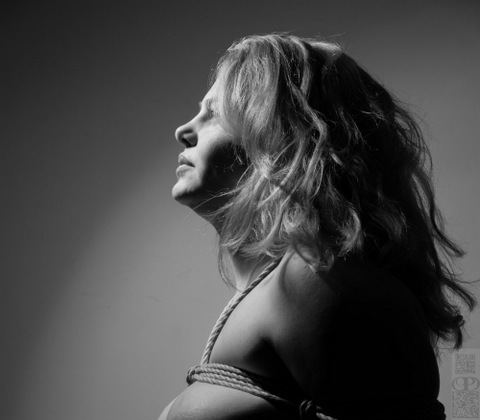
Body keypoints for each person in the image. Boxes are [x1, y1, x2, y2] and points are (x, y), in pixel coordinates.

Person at [159, 33, 476, 420]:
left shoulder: (317, 280)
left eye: (215, 114)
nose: (183, 130)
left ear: (283, 140)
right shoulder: (287, 286)